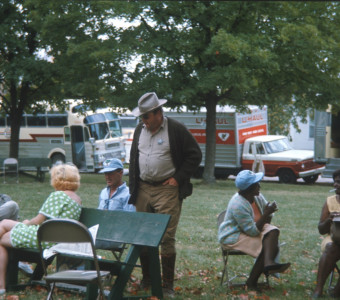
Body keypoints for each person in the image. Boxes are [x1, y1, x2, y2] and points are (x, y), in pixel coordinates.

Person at [129, 92, 202, 297]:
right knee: (143, 235)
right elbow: (135, 158)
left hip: (166, 189)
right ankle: (148, 279)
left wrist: (178, 178)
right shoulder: (139, 130)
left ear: (158, 113)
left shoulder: (176, 129)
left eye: (146, 117)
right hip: (143, 188)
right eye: (141, 117)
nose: (143, 121)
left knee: (166, 237)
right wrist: (133, 186)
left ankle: (167, 285)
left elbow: (195, 155)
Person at [0, 163, 82, 295]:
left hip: (44, 238)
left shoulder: (58, 196)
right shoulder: (77, 200)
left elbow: (38, 221)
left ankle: (1, 286)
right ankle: (1, 287)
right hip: (56, 239)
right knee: (4, 229)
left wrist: (26, 223)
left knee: (3, 229)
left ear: (57, 179)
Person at [218, 170, 290, 290]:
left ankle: (268, 262)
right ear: (249, 188)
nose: (260, 186)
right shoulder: (238, 204)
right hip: (233, 235)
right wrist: (266, 213)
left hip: (250, 229)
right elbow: (252, 231)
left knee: (273, 231)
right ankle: (252, 282)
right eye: (257, 184)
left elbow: (266, 222)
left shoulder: (257, 196)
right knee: (265, 246)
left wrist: (268, 213)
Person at [313, 169, 340, 298]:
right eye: (335, 182)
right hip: (333, 237)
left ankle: (337, 289)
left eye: (339, 182)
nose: (336, 185)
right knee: (331, 247)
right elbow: (321, 229)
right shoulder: (330, 201)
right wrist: (329, 219)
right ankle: (318, 289)